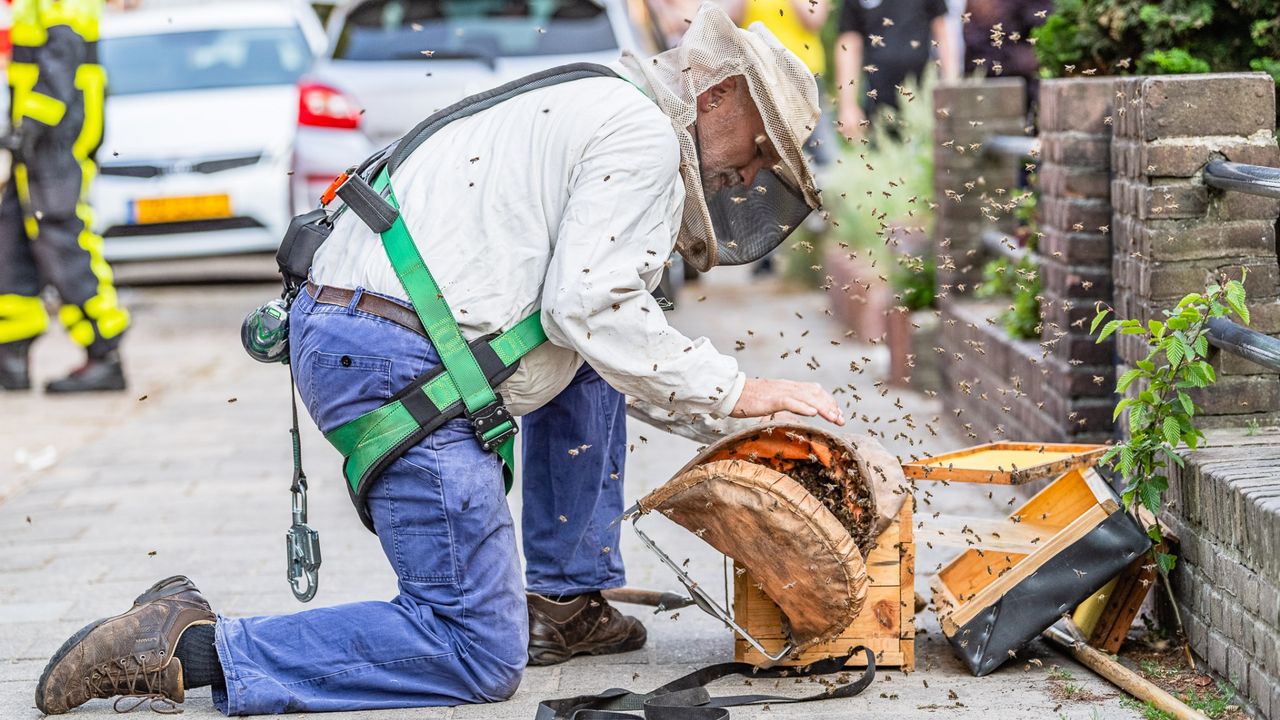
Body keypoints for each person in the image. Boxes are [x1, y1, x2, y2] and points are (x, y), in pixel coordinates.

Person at [34, 4, 846, 715]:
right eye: (762, 146)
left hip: (368, 332)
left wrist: (699, 393)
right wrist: (740, 389)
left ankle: (564, 601)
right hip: (393, 364)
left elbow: (595, 326)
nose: (750, 172)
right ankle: (189, 646)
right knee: (476, 649)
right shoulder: (639, 137)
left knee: (597, 356)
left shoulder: (593, 96)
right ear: (718, 96)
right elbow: (592, 305)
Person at [0, 0, 130, 393]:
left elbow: (63, 52)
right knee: (13, 234)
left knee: (59, 231)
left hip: (57, 127)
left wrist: (34, 122)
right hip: (42, 126)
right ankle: (12, 351)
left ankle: (103, 350)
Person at [834, 0, 960, 141]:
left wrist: (951, 88)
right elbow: (849, 44)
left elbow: (942, 33)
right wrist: (847, 106)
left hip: (924, 101)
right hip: (877, 103)